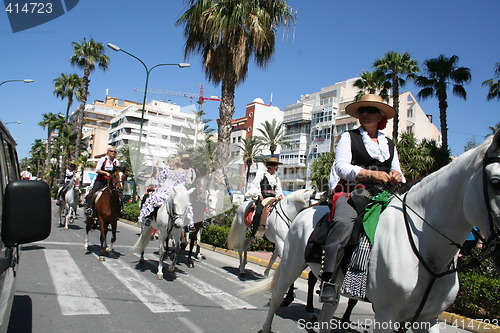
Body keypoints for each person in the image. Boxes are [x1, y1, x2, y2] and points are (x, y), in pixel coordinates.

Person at [320, 94, 405, 303]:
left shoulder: (390, 144)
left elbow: (398, 171)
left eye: (371, 110)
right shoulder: (349, 137)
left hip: (384, 194)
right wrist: (370, 173)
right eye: (362, 111)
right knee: (342, 222)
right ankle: (328, 281)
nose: (365, 114)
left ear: (380, 116)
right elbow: (341, 166)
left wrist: (396, 176)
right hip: (352, 191)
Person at [138, 155, 195, 231]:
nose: (169, 163)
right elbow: (159, 178)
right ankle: (149, 217)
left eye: (170, 162)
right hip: (166, 189)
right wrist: (157, 168)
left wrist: (190, 183)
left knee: (186, 204)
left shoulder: (181, 172)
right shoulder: (167, 170)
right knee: (153, 198)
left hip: (176, 190)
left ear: (174, 162)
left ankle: (188, 224)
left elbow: (187, 181)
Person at [245, 157, 284, 240]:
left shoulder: (276, 178)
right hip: (263, 198)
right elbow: (255, 184)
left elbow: (278, 189)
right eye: (276, 166)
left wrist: (280, 195)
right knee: (259, 212)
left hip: (273, 198)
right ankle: (253, 233)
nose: (277, 167)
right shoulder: (262, 174)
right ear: (272, 166)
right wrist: (259, 195)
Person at [85, 146, 120, 217]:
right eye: (111, 151)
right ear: (108, 152)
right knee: (92, 193)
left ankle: (120, 210)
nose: (113, 153)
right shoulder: (103, 159)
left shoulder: (117, 162)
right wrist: (105, 173)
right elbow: (97, 170)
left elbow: (117, 172)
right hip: (101, 180)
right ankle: (89, 209)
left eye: (114, 152)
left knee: (119, 195)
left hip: (111, 181)